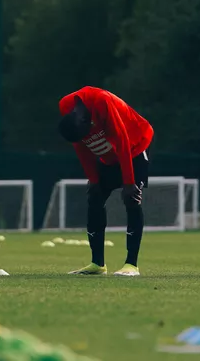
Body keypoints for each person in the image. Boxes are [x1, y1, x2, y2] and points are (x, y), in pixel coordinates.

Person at [58, 86, 153, 277]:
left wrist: (128, 182)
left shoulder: (101, 101)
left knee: (132, 200)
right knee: (94, 198)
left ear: (87, 120)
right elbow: (81, 148)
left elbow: (122, 139)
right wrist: (93, 180)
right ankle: (97, 264)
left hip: (134, 147)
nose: (87, 138)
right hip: (107, 156)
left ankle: (131, 265)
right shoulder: (66, 107)